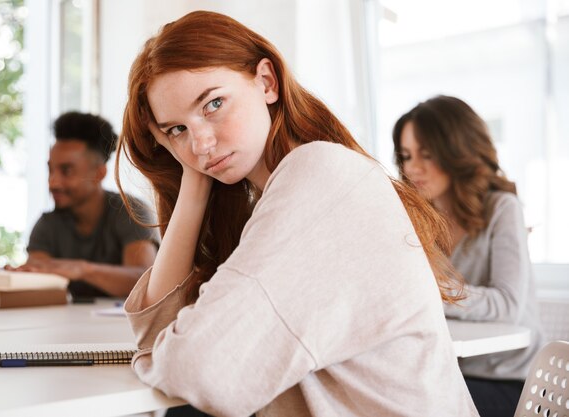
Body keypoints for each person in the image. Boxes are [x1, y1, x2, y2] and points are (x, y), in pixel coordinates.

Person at [116, 11, 478, 417]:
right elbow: (155, 338)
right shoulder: (266, 196)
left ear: (266, 82)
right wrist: (194, 182)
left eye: (213, 104)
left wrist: (171, 353)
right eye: (176, 130)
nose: (200, 143)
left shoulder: (320, 175)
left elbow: (198, 369)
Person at [392, 95, 544, 417]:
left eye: (427, 155)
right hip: (447, 371)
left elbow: (508, 304)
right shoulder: (419, 218)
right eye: (405, 156)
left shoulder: (502, 208)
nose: (412, 168)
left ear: (456, 153)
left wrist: (433, 292)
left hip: (511, 381)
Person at [17, 111, 159, 299]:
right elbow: (36, 281)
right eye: (50, 170)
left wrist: (82, 269)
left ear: (99, 173)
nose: (53, 183)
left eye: (66, 171)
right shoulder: (47, 225)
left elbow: (145, 281)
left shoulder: (130, 211)